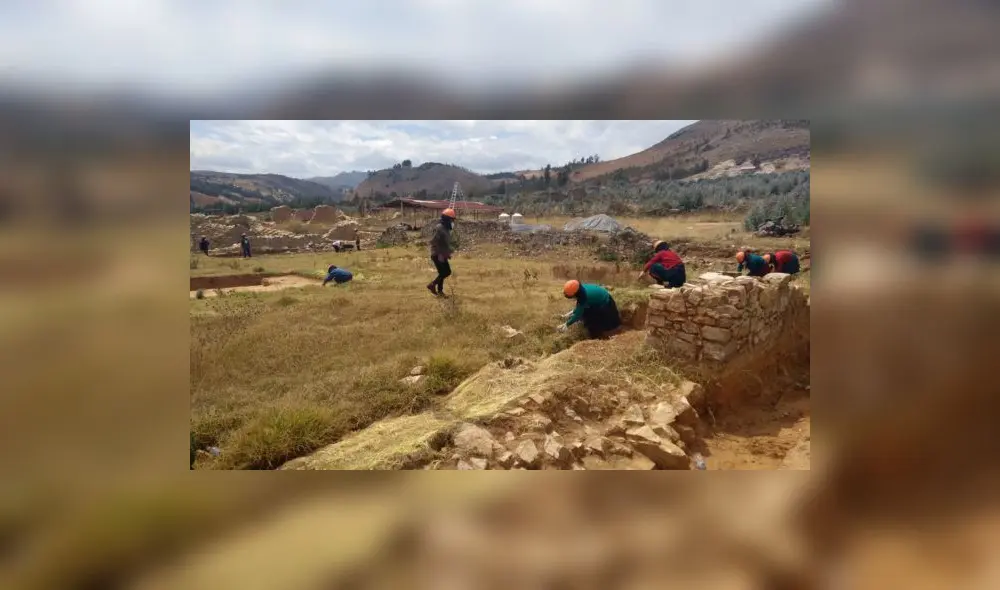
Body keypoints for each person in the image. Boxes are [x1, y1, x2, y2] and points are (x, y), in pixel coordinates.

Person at [556, 280, 622, 339]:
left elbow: (578, 314)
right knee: (586, 316)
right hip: (596, 301)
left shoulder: (584, 297)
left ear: (576, 294)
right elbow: (579, 308)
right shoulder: (579, 289)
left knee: (608, 324)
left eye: (571, 297)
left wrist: (567, 324)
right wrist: (568, 315)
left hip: (606, 304)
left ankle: (605, 336)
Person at [427, 208, 456, 297]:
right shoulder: (439, 228)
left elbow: (444, 243)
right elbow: (433, 241)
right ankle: (432, 285)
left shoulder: (446, 229)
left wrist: (447, 252)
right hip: (437, 254)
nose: (452, 222)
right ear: (447, 219)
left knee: (443, 272)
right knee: (446, 272)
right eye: (451, 219)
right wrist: (440, 253)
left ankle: (440, 292)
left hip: (442, 254)